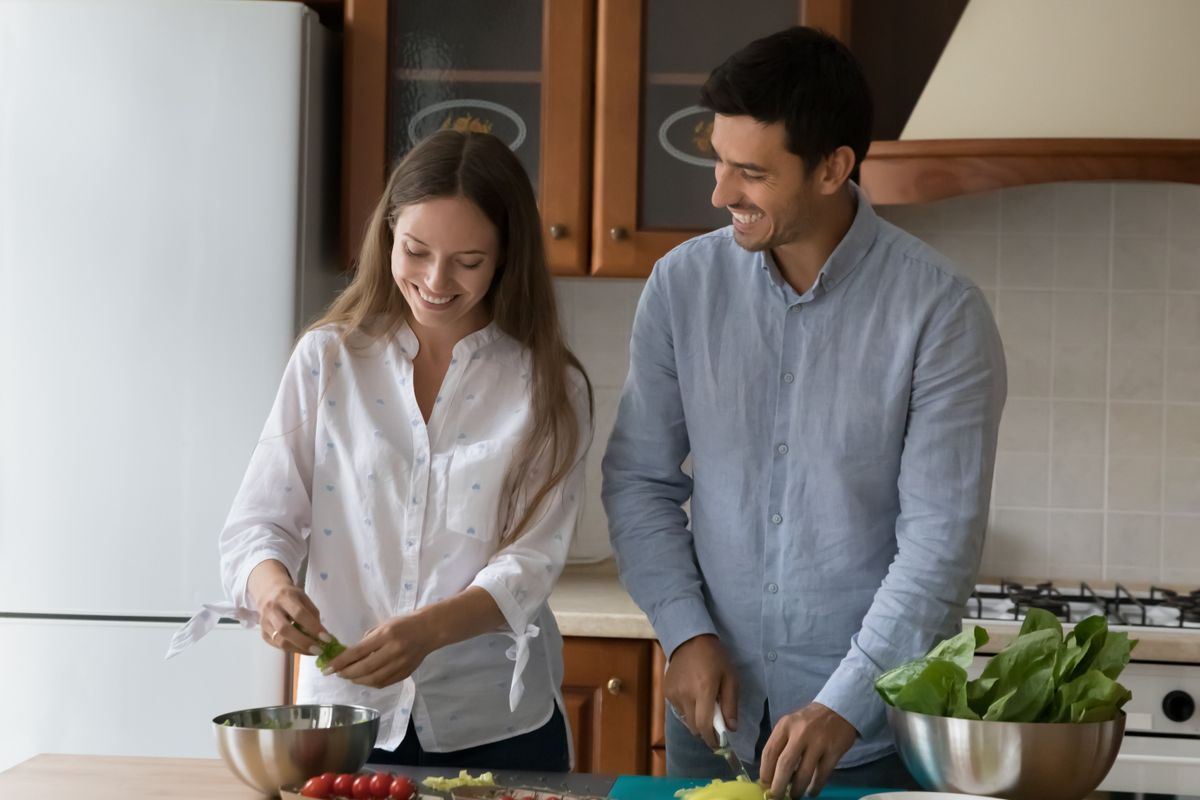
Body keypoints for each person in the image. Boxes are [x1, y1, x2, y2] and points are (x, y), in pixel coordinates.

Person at [601, 26, 1006, 798]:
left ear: (833, 168)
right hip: (713, 728)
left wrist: (842, 707)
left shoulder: (940, 314)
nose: (720, 193)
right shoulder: (681, 288)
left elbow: (939, 547)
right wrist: (685, 631)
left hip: (872, 744)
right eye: (718, 160)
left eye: (750, 172)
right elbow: (639, 481)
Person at [220, 130, 593, 769]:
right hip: (345, 722)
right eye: (416, 251)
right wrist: (272, 589)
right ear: (388, 235)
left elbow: (531, 560)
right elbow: (260, 522)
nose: (435, 281)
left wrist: (428, 631)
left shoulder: (548, 385)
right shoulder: (328, 360)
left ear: (507, 256)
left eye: (468, 261)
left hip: (496, 724)